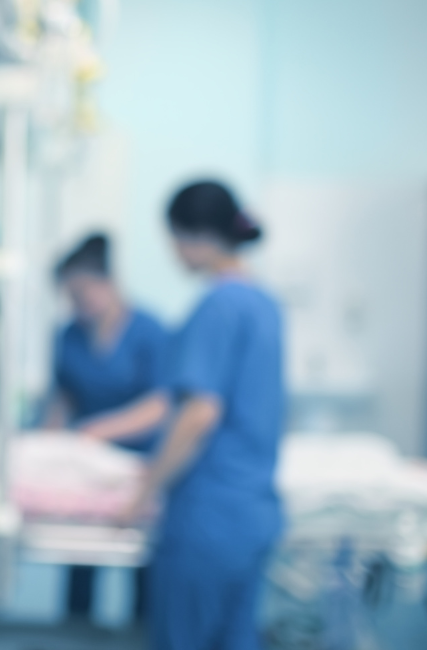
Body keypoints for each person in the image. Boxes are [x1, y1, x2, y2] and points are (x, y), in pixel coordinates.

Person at [126, 180, 284, 650]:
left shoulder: (218, 305)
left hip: (208, 517)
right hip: (252, 513)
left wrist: (145, 491)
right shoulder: (264, 303)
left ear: (192, 235)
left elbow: (198, 414)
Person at [42, 233, 171, 453]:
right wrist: (47, 443)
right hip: (87, 454)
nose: (77, 302)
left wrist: (98, 432)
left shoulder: (150, 331)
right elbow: (62, 400)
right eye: (71, 296)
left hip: (140, 456)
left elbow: (161, 405)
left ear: (109, 282)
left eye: (83, 292)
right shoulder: (69, 336)